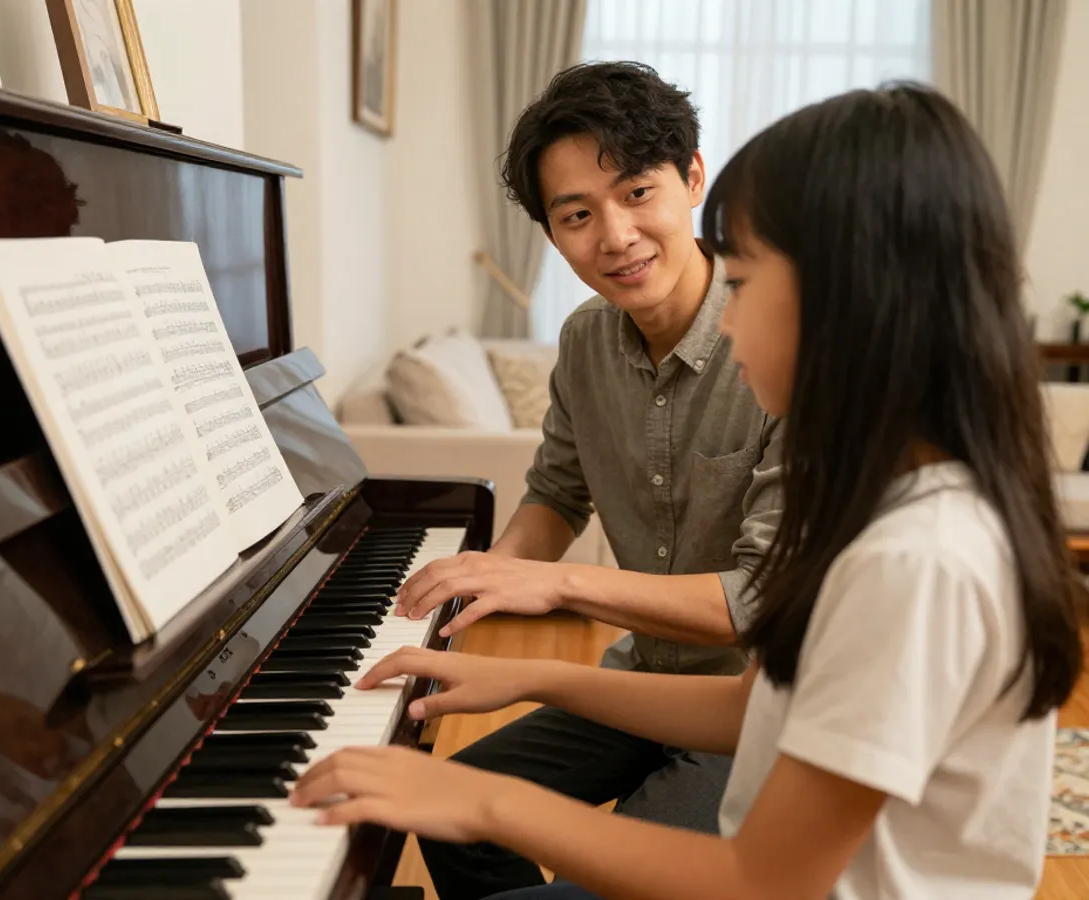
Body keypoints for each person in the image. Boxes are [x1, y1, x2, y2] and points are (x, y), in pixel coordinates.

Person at [291, 83, 1088, 900]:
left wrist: (486, 797)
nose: (728, 318)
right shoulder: (891, 506)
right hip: (685, 703)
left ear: (851, 295)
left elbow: (761, 879)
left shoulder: (915, 559)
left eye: (741, 282)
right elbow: (754, 706)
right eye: (575, 215)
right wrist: (533, 675)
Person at [390, 60, 783, 898]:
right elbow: (557, 493)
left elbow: (756, 600)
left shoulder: (780, 347)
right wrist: (472, 586)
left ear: (693, 179)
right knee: (443, 810)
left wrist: (554, 581)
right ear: (552, 232)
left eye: (638, 192)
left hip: (756, 717)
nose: (614, 237)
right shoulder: (584, 341)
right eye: (577, 214)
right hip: (640, 677)